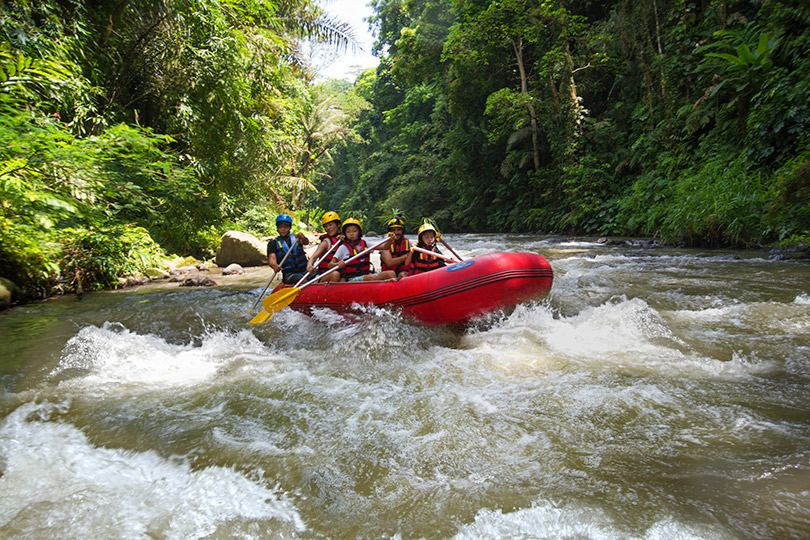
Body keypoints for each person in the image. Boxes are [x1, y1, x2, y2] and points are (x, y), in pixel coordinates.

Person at [329, 218, 396, 282]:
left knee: (391, 274)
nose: (351, 234)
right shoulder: (343, 248)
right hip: (351, 278)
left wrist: (391, 240)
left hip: (366, 274)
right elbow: (330, 265)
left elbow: (384, 247)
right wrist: (337, 264)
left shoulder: (366, 244)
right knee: (371, 278)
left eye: (354, 231)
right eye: (348, 232)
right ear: (345, 234)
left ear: (359, 232)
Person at [267, 214, 310, 284]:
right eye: (280, 227)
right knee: (301, 279)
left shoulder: (297, 237)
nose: (283, 229)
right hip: (289, 274)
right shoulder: (273, 243)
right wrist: (274, 266)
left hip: (305, 270)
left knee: (318, 275)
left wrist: (303, 237)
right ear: (277, 228)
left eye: (285, 227)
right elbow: (272, 260)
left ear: (289, 228)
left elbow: (306, 242)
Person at [306, 211, 343, 282]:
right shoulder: (326, 242)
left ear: (338, 225)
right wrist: (309, 265)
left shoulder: (344, 239)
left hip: (341, 273)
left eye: (330, 225)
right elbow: (314, 257)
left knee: (343, 279)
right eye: (326, 226)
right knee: (335, 274)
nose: (328, 228)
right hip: (324, 275)